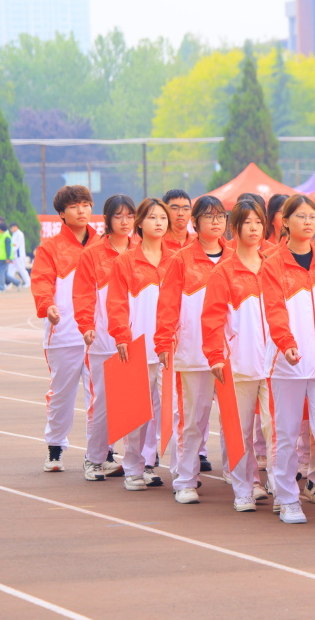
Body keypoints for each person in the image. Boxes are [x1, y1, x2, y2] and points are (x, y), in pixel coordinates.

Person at [201, 199, 283, 511]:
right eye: (247, 222)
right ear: (235, 228)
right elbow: (212, 319)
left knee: (276, 430)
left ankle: (281, 490)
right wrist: (215, 356)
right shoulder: (224, 272)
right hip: (239, 364)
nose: (253, 228)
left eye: (258, 222)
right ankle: (243, 489)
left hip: (275, 365)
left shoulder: (274, 266)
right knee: (240, 431)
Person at [154, 194, 234, 503]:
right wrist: (163, 341)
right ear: (195, 222)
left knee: (234, 420)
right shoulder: (181, 260)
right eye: (209, 216)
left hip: (230, 354)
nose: (216, 222)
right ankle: (185, 479)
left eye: (220, 216)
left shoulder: (234, 257)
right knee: (192, 420)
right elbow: (168, 305)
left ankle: (239, 476)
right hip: (193, 352)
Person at [264, 194, 315, 524]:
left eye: (312, 217)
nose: (308, 222)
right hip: (288, 363)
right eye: (301, 216)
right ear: (285, 222)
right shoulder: (273, 264)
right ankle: (287, 497)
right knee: (286, 433)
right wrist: (286, 343)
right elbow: (274, 309)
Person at [107, 197, 173, 491]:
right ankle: (133, 467)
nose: (159, 223)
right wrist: (121, 335)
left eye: (163, 218)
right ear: (140, 223)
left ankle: (151, 464)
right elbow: (116, 303)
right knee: (138, 413)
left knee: (170, 413)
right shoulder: (125, 262)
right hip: (138, 347)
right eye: (152, 217)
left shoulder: (176, 260)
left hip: (170, 349)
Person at [32, 186, 96, 472]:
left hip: (98, 336)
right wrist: (48, 306)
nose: (81, 210)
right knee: (62, 395)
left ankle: (101, 453)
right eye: (74, 206)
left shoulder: (103, 246)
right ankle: (55, 446)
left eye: (86, 204)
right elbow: (42, 282)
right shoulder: (50, 249)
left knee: (100, 397)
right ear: (61, 213)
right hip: (65, 334)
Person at [73, 194, 137, 482]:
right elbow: (83, 294)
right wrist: (86, 325)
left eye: (130, 216)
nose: (125, 222)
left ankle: (138, 463)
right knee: (103, 403)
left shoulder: (141, 251)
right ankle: (95, 458)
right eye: (118, 216)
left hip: (135, 340)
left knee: (136, 403)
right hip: (103, 341)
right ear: (108, 220)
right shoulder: (93, 254)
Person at [9, 221, 31, 287]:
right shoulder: (14, 234)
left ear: (15, 227)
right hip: (14, 255)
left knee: (22, 269)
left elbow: (16, 245)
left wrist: (11, 249)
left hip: (19, 255)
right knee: (10, 269)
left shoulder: (19, 234)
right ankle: (9, 283)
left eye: (11, 228)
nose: (11, 230)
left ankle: (28, 282)